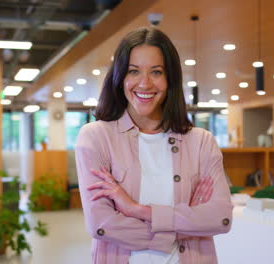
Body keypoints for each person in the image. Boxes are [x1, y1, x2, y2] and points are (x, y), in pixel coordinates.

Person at [75, 27, 233, 264]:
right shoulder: (96, 137)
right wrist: (184, 226)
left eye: (156, 72)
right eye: (133, 71)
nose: (145, 83)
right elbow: (102, 225)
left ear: (170, 79)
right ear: (120, 78)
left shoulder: (201, 142)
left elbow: (220, 218)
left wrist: (139, 211)